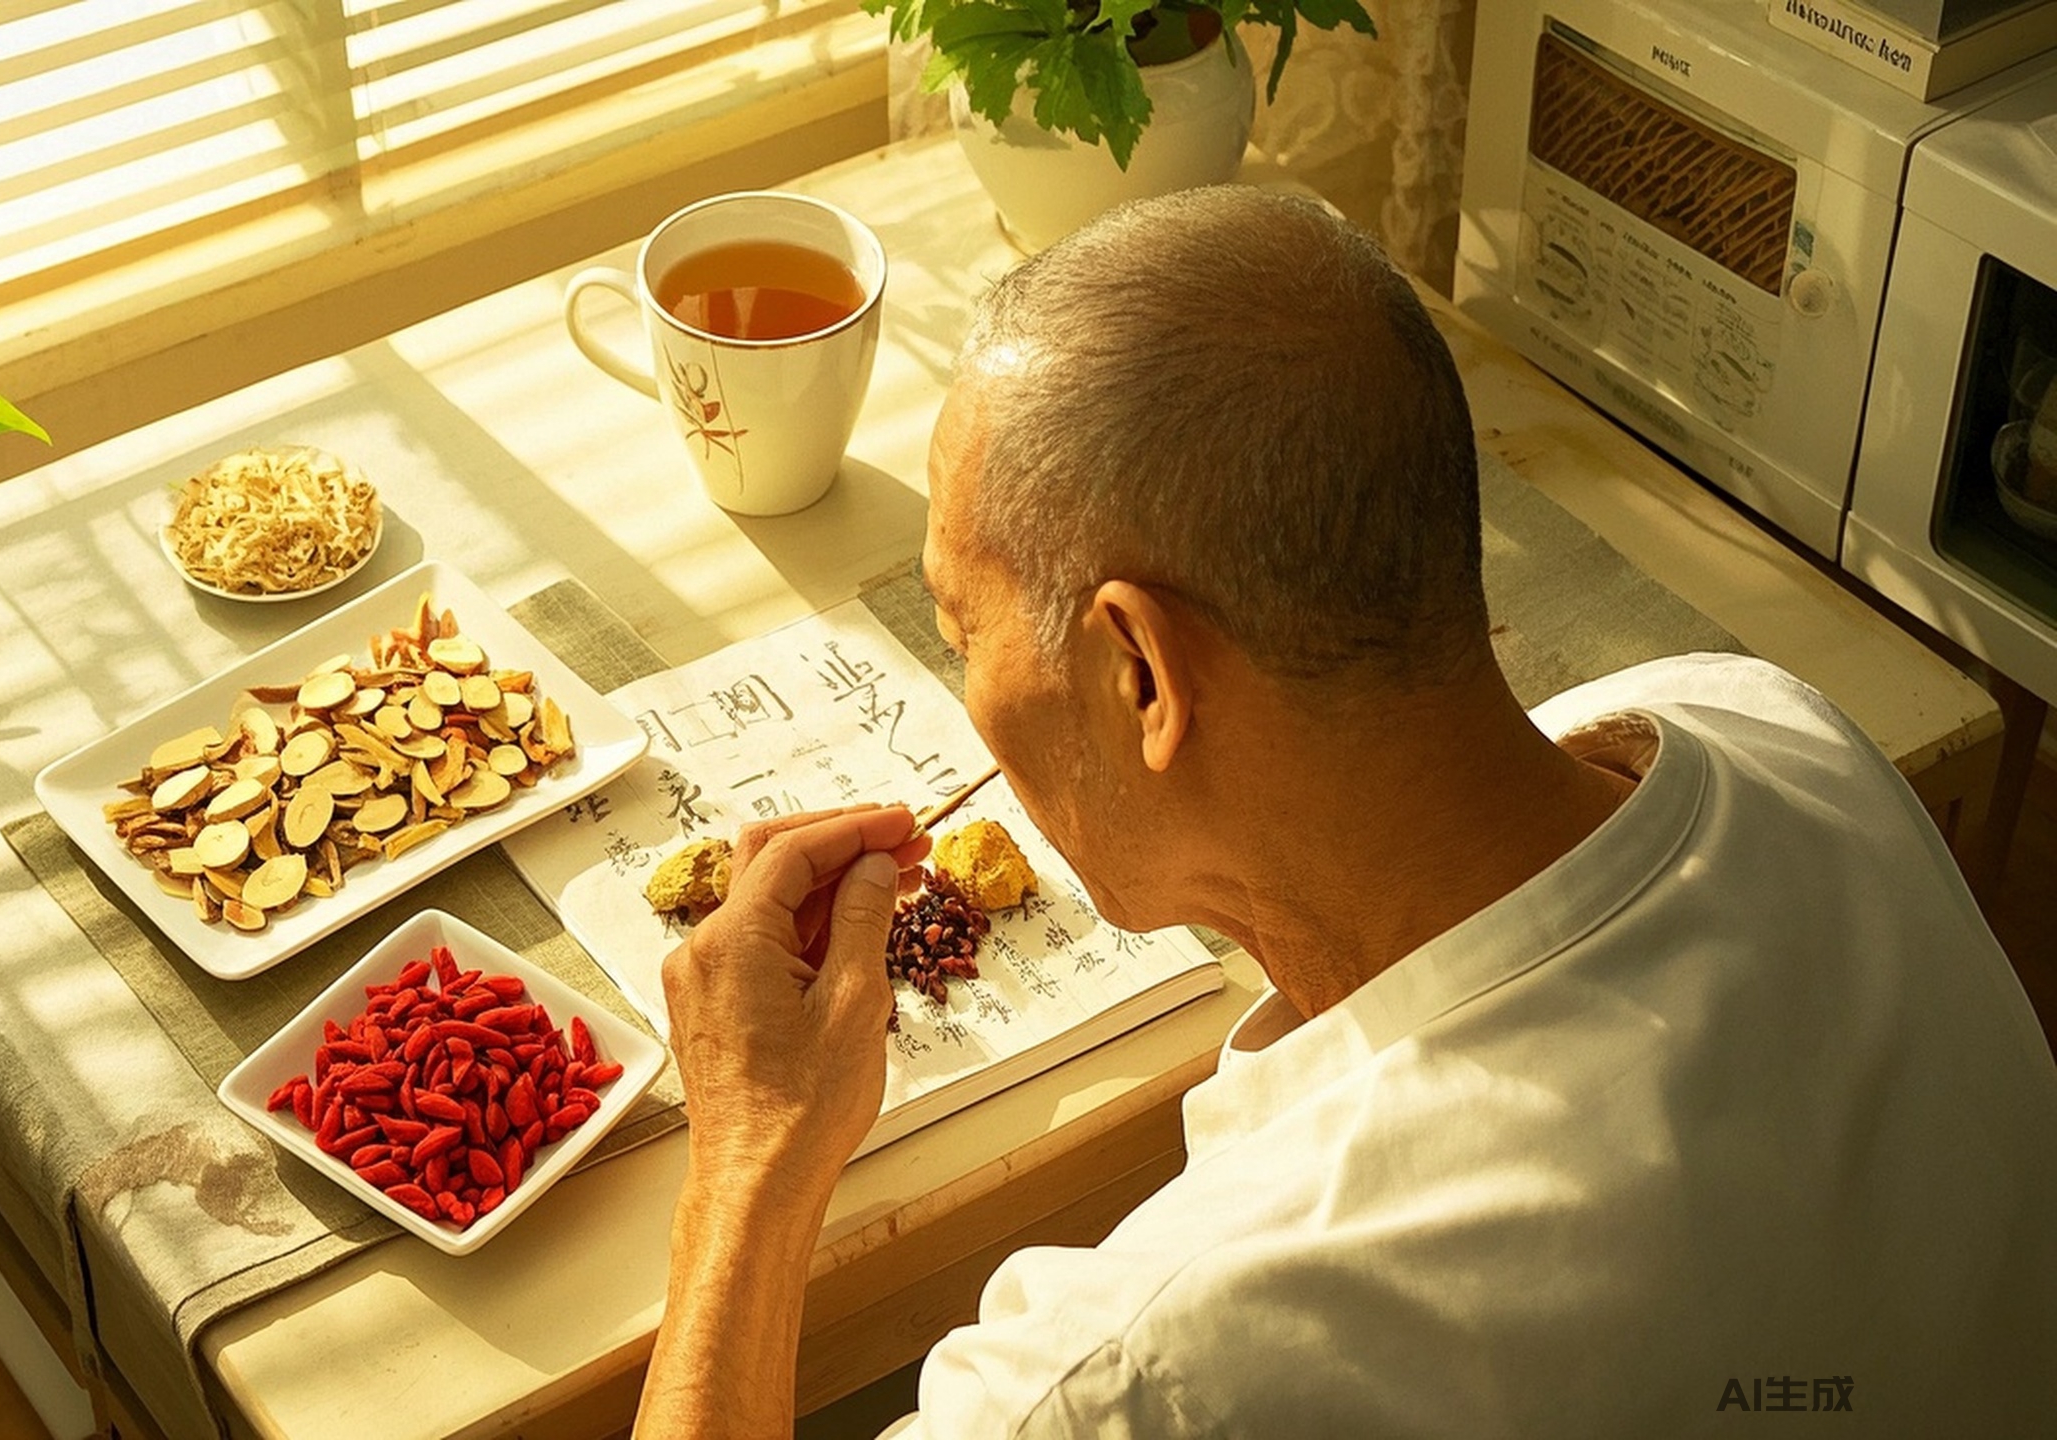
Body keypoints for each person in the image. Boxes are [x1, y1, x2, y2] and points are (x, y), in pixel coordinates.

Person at [628, 186, 2057, 1438]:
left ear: (1137, 673)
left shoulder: (1146, 1369)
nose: (966, 692)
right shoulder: (1767, 718)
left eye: (958, 629)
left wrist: (747, 1168)